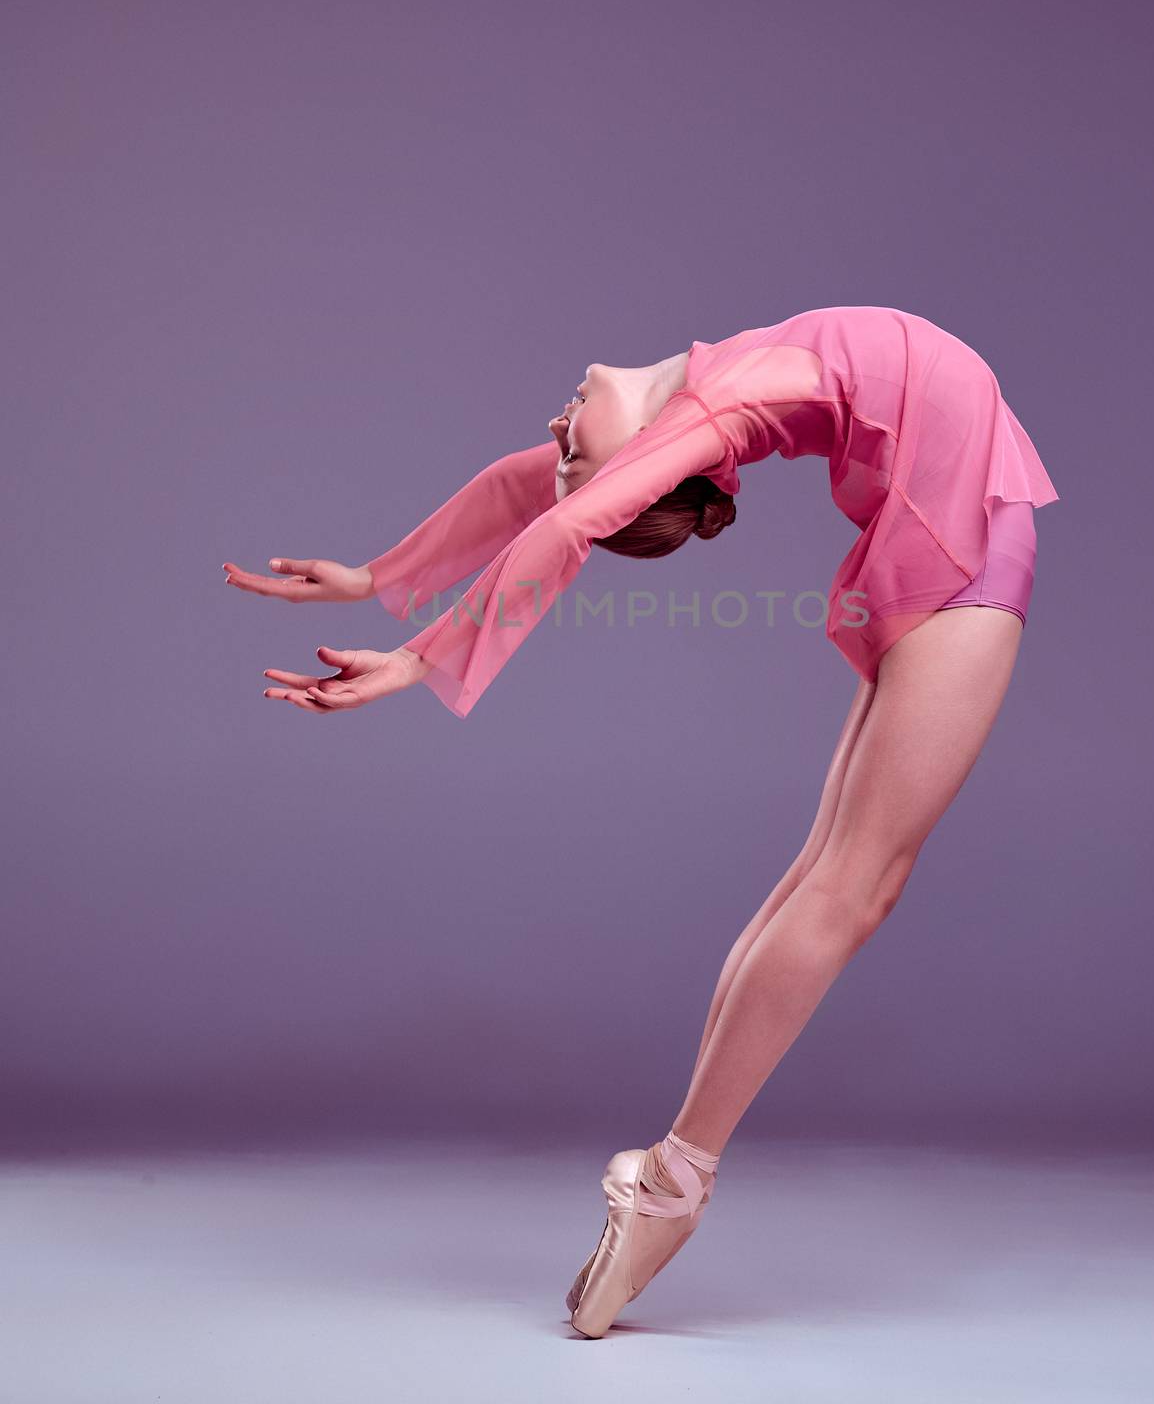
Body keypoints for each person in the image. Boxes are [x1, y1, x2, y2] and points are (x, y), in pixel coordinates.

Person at [224, 304, 1059, 1338]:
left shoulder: (699, 401)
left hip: (952, 531)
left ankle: (670, 1175)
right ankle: (674, 1181)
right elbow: (553, 504)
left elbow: (546, 496)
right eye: (580, 452)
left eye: (570, 446)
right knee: (848, 885)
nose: (559, 431)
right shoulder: (709, 404)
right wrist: (398, 617)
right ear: (655, 467)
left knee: (835, 880)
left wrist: (397, 613)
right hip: (965, 539)